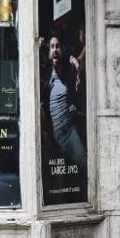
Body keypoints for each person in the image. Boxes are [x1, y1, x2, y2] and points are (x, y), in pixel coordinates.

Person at [43, 33, 86, 167]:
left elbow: (78, 89)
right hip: (55, 135)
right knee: (58, 175)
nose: (55, 49)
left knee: (84, 161)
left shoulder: (68, 71)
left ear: (61, 50)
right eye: (52, 47)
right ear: (49, 51)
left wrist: (77, 66)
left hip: (69, 130)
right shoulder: (45, 74)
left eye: (57, 46)